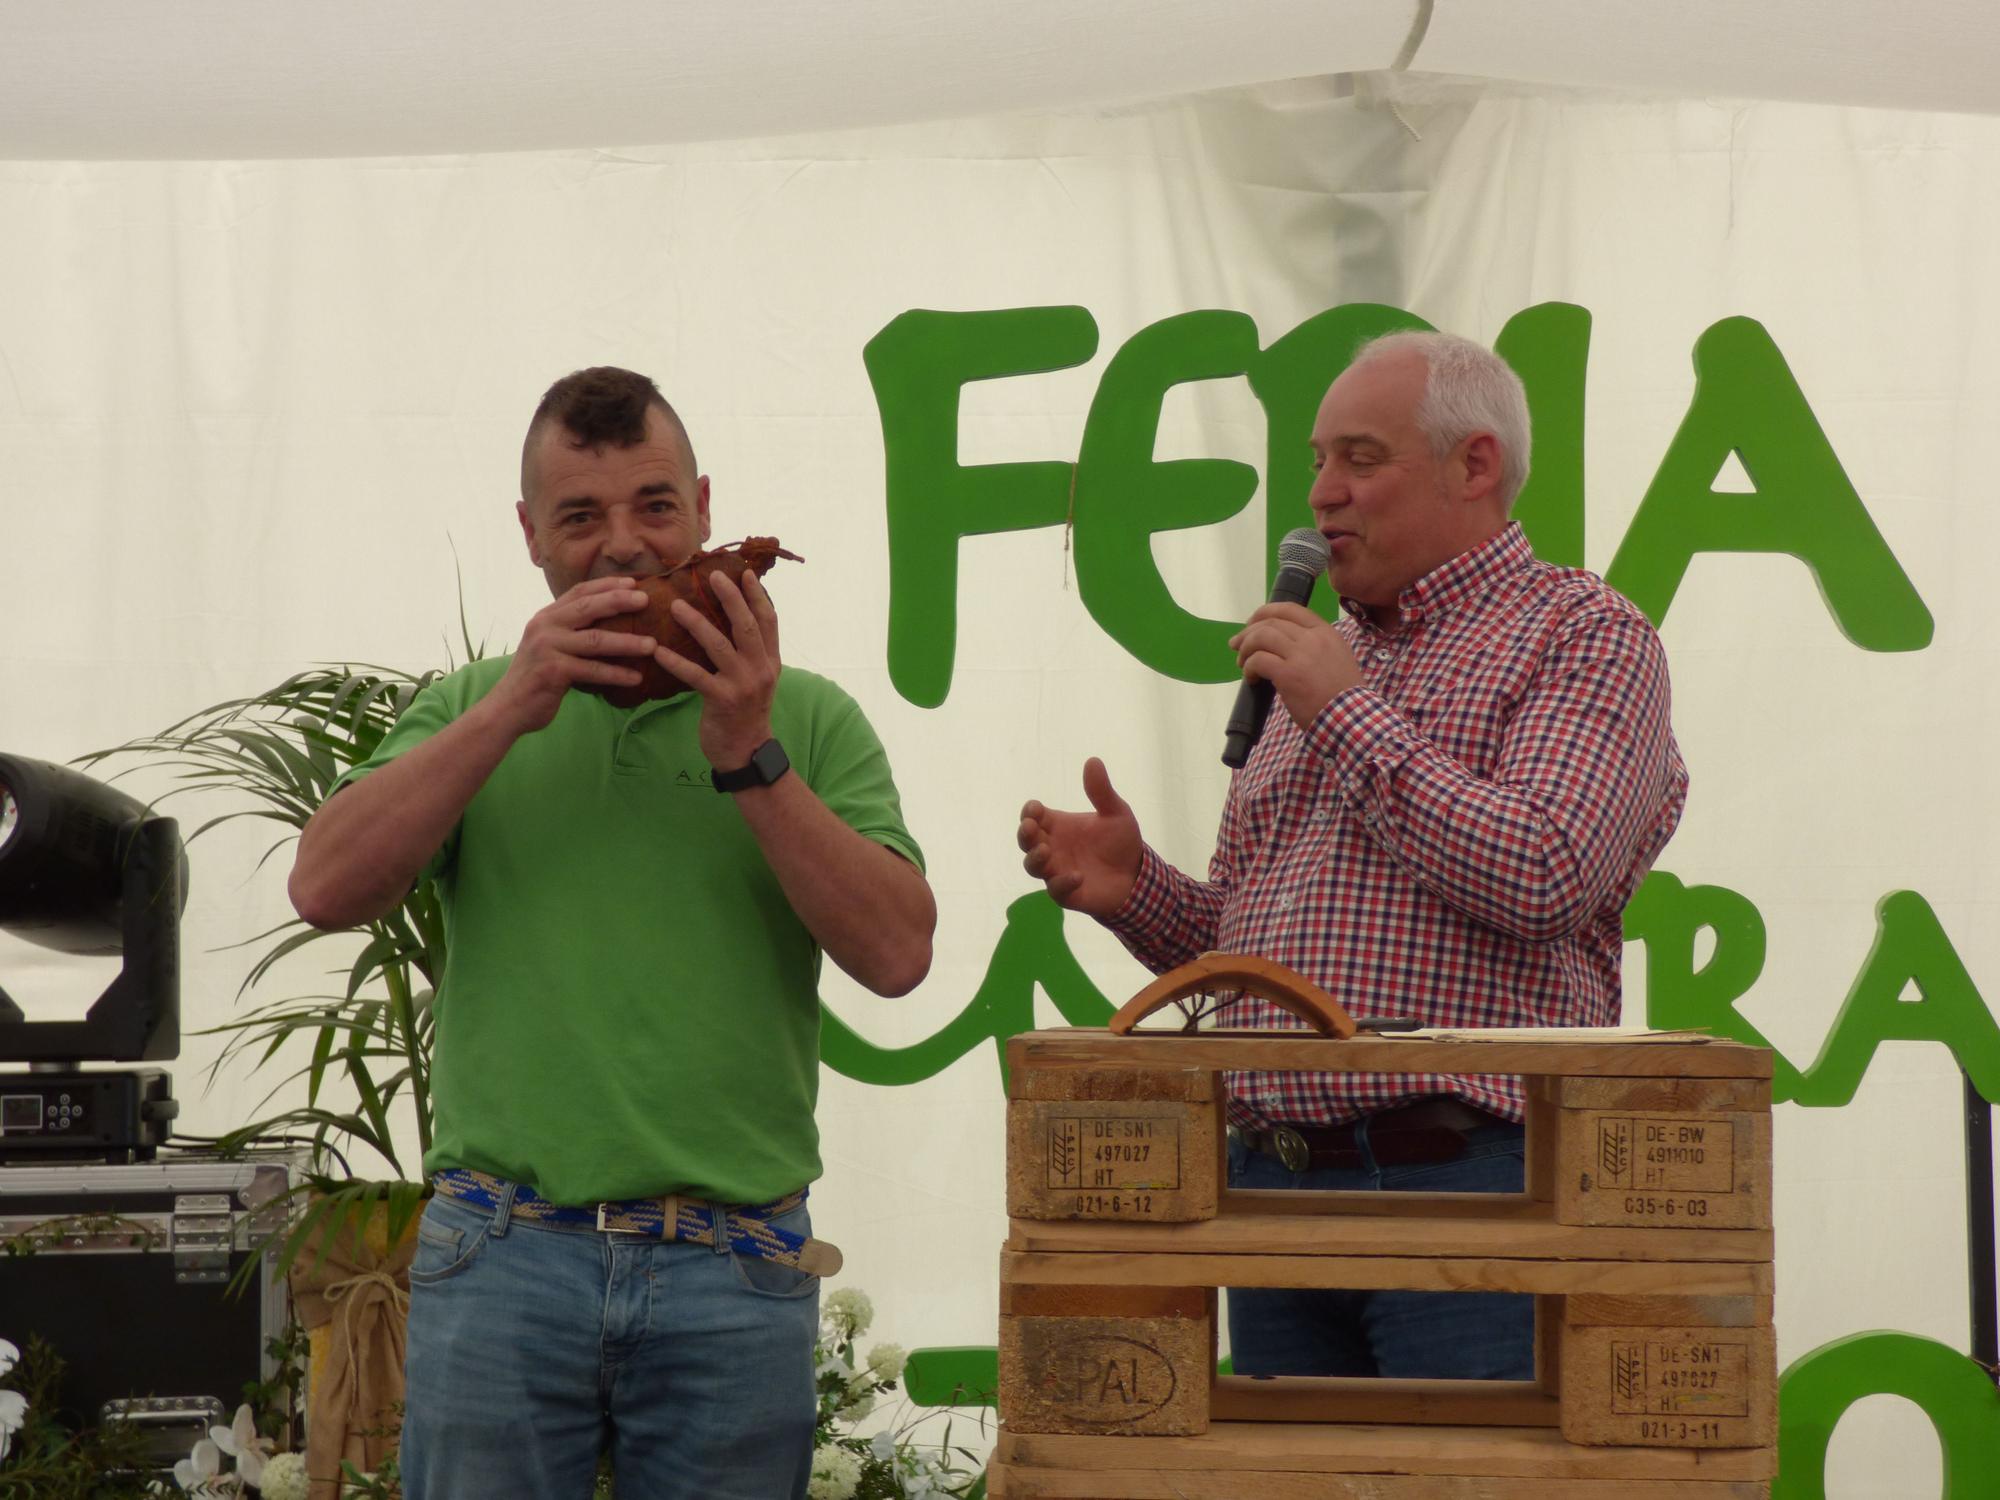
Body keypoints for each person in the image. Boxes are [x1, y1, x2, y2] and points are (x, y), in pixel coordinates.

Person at [289, 367, 935, 1500]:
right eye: (580, 518)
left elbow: (897, 956)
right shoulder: (471, 709)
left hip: (732, 1264)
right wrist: (506, 710)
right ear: (531, 537)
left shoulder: (806, 715)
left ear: (703, 510)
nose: (623, 547)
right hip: (501, 1252)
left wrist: (748, 749)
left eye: (654, 507)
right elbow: (324, 886)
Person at [1017, 330, 1686, 1382]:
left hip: (1469, 1182)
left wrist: (1344, 711)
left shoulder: (1581, 632)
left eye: (1360, 460)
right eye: (1317, 461)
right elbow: (1270, 968)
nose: (1322, 495)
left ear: (1473, 466)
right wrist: (1134, 891)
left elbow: (1546, 872)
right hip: (1270, 1189)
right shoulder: (1322, 667)